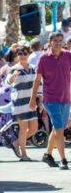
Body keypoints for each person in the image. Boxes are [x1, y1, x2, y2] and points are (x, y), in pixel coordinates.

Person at [31, 31, 71, 169]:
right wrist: (33, 100)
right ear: (50, 42)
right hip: (50, 99)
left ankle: (47, 155)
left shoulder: (68, 56)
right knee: (59, 129)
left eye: (60, 40)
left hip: (66, 99)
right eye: (55, 40)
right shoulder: (43, 58)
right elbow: (37, 80)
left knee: (58, 128)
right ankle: (64, 160)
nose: (58, 42)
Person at [5, 45, 40, 161]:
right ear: (17, 56)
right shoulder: (14, 68)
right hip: (19, 103)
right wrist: (12, 77)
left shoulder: (34, 68)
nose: (23, 56)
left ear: (29, 54)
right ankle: (24, 154)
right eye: (20, 54)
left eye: (25, 53)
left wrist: (40, 99)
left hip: (31, 102)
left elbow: (39, 84)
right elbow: (7, 82)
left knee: (34, 129)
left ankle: (16, 143)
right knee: (23, 129)